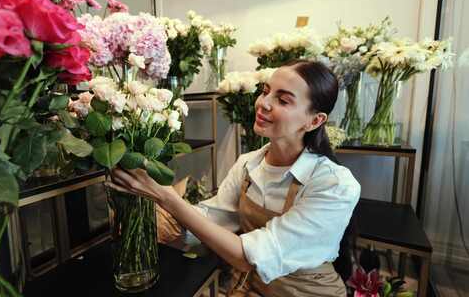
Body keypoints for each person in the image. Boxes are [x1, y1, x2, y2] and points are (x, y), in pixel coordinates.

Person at [107, 59, 361, 297]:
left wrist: (164, 196)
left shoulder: (334, 184)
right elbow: (213, 221)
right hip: (253, 287)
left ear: (314, 120)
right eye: (265, 91)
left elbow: (245, 257)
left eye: (283, 100)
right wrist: (142, 213)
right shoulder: (248, 164)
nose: (263, 103)